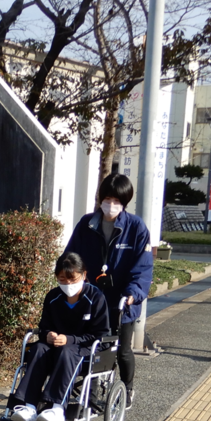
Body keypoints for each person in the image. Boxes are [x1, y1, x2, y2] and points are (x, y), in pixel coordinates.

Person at [65, 173, 153, 407]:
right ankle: (89, 394)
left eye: (117, 201)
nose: (111, 205)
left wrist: (133, 294)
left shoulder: (136, 227)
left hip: (122, 302)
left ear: (124, 202)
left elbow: (142, 268)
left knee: (122, 350)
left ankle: (128, 388)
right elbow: (71, 257)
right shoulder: (87, 224)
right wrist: (69, 282)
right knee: (93, 347)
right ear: (100, 199)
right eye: (107, 199)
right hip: (91, 300)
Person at [7, 252, 110, 421]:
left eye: (72, 279)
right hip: (54, 347)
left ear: (84, 275)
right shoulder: (53, 297)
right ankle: (28, 406)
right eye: (62, 279)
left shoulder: (95, 297)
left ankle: (56, 409)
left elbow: (101, 334)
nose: (68, 284)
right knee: (38, 349)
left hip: (84, 348)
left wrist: (70, 339)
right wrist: (47, 334)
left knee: (67, 351)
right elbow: (44, 326)